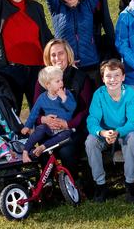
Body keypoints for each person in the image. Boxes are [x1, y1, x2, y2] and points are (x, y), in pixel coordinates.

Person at [33, 39, 92, 177]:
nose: (57, 58)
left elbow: (87, 110)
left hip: (74, 129)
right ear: (48, 58)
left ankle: (72, 184)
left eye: (61, 54)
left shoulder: (81, 78)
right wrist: (44, 119)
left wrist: (68, 124)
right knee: (41, 150)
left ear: (68, 55)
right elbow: (36, 112)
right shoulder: (42, 81)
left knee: (66, 151)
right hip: (50, 129)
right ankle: (48, 186)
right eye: (53, 55)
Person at [85, 59, 134, 203]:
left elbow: (133, 122)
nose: (113, 79)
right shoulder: (99, 94)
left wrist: (117, 132)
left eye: (117, 75)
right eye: (108, 76)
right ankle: (100, 184)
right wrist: (102, 133)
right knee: (90, 141)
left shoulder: (129, 93)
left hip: (123, 131)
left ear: (123, 77)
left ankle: (130, 183)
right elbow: (92, 120)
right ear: (103, 79)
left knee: (133, 138)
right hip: (105, 133)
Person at [21, 66, 76, 163]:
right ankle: (25, 151)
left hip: (64, 129)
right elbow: (34, 112)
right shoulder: (42, 98)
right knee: (40, 129)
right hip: (50, 128)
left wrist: (64, 98)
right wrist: (27, 126)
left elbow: (72, 108)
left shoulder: (66, 93)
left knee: (66, 135)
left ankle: (43, 147)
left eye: (61, 80)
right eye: (57, 81)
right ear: (48, 85)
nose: (61, 83)